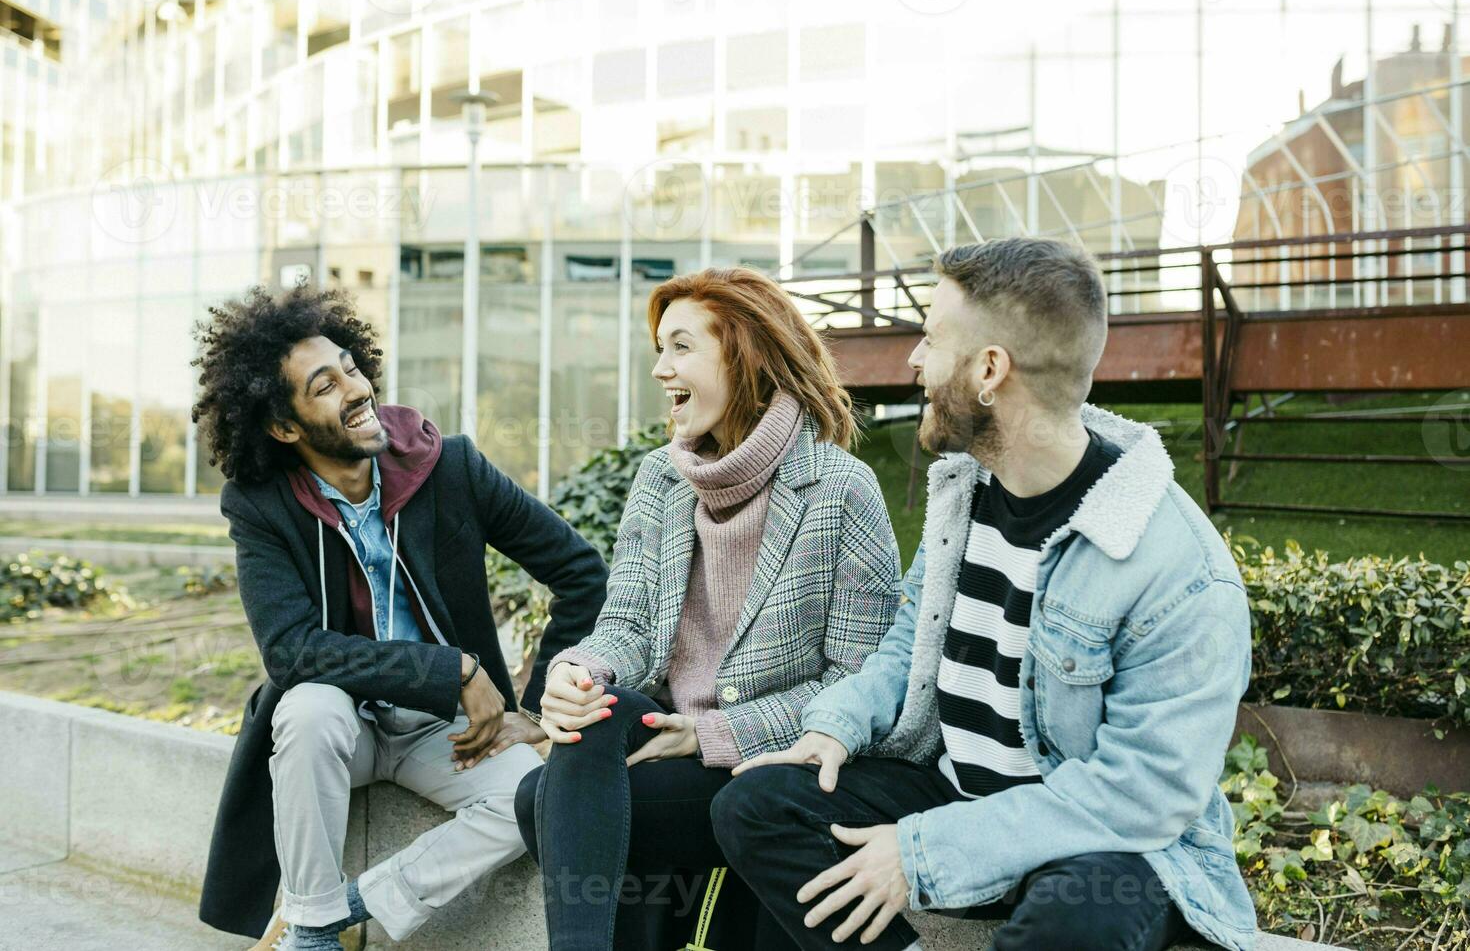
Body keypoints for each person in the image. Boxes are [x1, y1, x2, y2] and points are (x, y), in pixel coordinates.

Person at [713, 238, 1256, 951]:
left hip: (1092, 838)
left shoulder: (1178, 568)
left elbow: (1141, 795)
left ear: (990, 370)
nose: (913, 359)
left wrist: (923, 853)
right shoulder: (967, 489)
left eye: (932, 339)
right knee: (754, 804)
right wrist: (835, 724)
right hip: (956, 792)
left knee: (1083, 916)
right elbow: (913, 639)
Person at [190, 285, 608, 951]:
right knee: (306, 709)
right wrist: (453, 669)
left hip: (446, 731)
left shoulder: (450, 468)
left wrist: (535, 708)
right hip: (344, 729)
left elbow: (582, 575)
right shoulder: (260, 505)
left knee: (533, 794)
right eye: (324, 386)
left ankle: (333, 913)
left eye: (352, 367)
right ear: (285, 427)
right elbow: (291, 651)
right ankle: (312, 938)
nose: (356, 388)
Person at [513, 267, 902, 950]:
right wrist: (577, 672)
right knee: (586, 721)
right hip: (663, 728)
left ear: (744, 352)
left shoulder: (842, 490)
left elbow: (859, 680)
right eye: (659, 350)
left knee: (544, 804)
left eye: (681, 347)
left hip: (768, 763)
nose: (662, 370)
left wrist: (714, 736)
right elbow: (627, 624)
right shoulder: (661, 478)